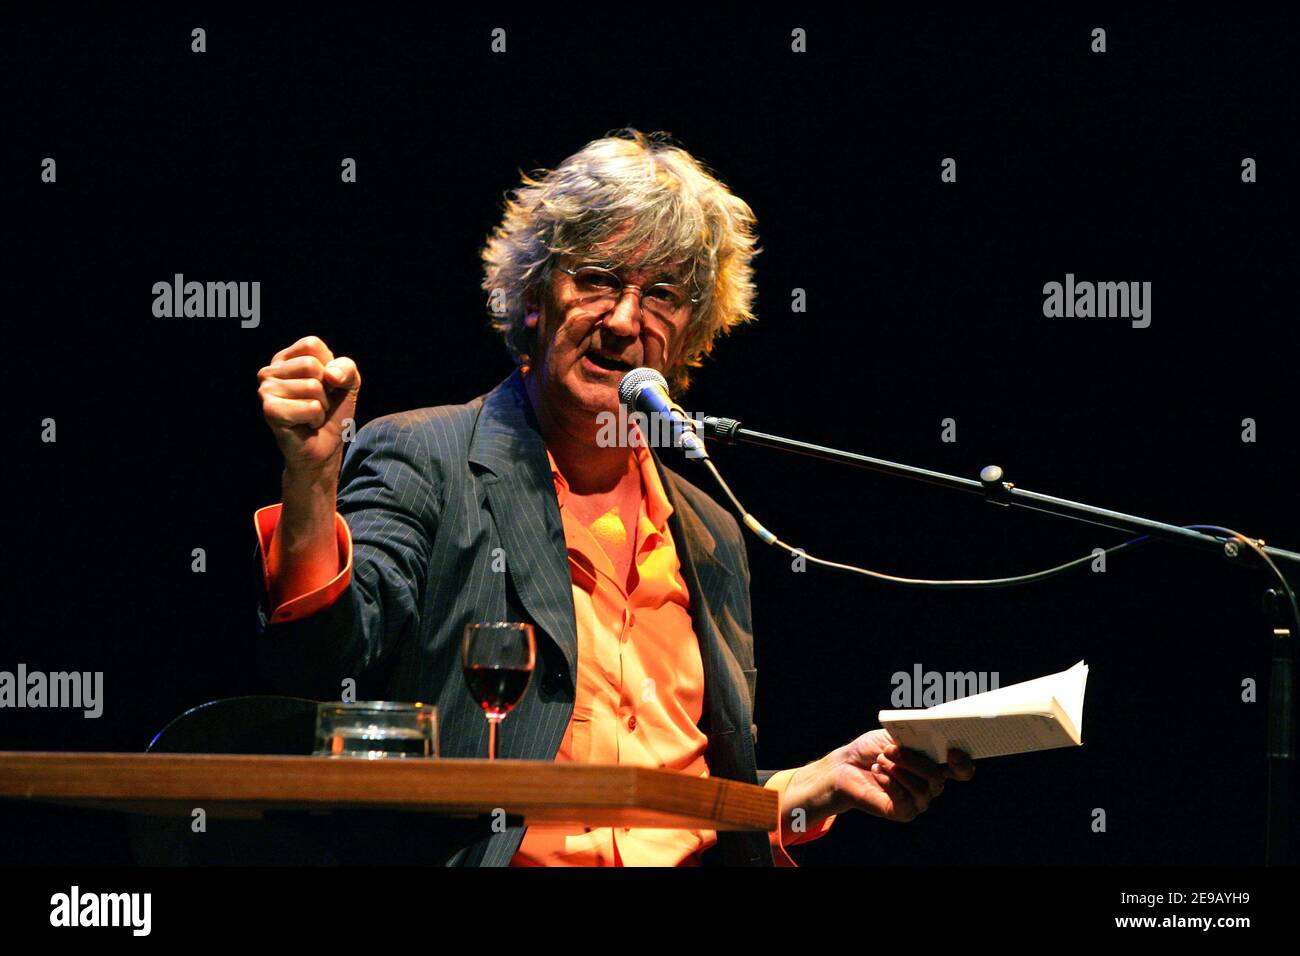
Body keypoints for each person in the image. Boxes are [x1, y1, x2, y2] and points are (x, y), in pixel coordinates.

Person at [253, 129, 975, 866]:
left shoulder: (710, 530)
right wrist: (311, 479)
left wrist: (813, 785)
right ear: (535, 297)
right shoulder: (428, 455)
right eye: (598, 280)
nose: (626, 320)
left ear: (691, 337)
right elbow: (320, 662)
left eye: (661, 295)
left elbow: (684, 793)